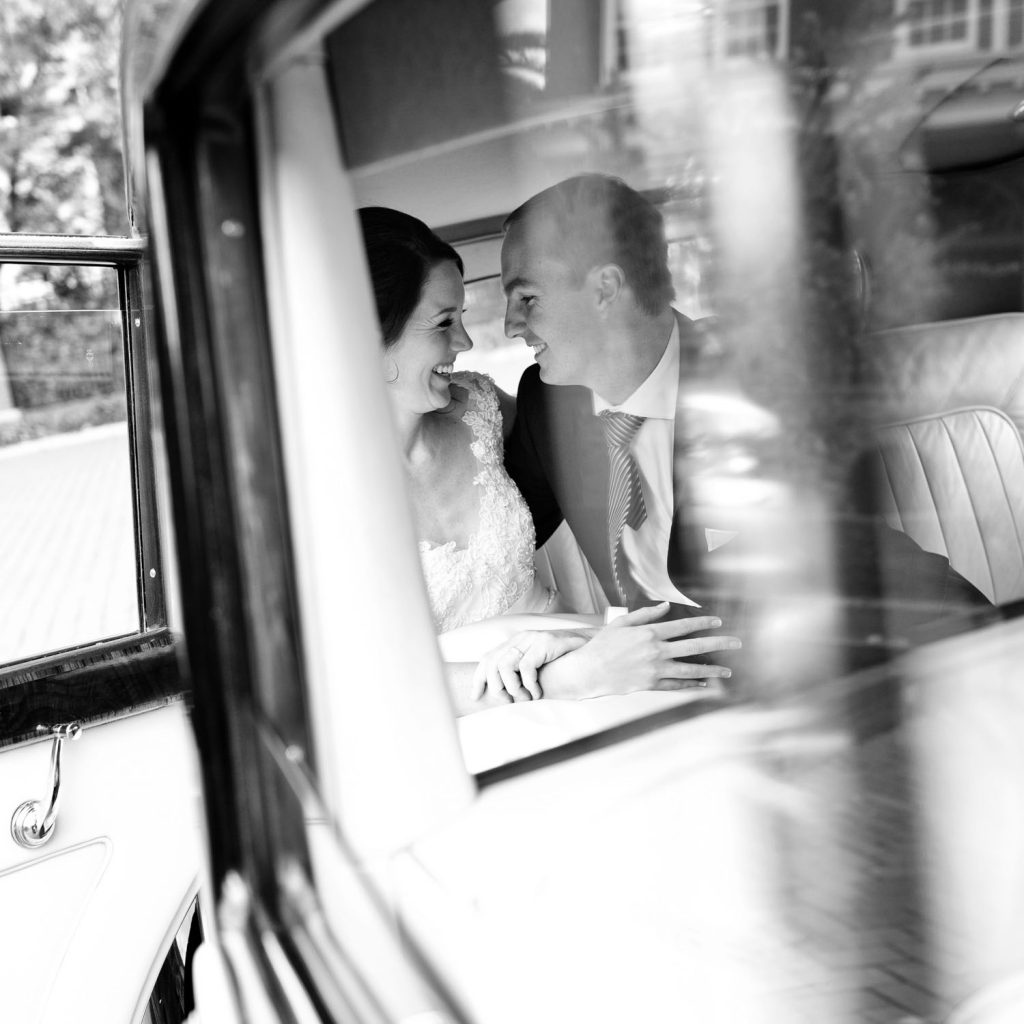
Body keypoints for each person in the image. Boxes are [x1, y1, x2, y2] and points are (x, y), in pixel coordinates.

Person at [499, 174, 990, 674]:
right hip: (650, 684)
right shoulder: (544, 402)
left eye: (527, 299)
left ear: (605, 289)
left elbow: (856, 555)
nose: (509, 325)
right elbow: (500, 533)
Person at [358, 206, 740, 715]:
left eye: (528, 297)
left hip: (595, 661)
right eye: (445, 321)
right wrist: (563, 676)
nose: (472, 341)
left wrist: (588, 650)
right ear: (366, 335)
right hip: (460, 709)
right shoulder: (294, 491)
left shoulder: (486, 412)